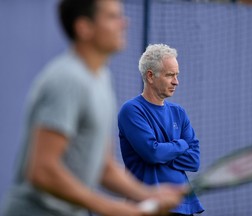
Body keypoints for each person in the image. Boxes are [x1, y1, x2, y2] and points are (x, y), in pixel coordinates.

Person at [1, 1, 186, 216]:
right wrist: (111, 208)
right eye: (112, 17)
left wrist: (148, 194)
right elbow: (42, 171)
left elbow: (103, 166)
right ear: (84, 27)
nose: (124, 23)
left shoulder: (101, 78)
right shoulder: (68, 79)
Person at [118, 44, 205, 216]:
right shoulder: (131, 110)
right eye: (170, 75)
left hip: (182, 206)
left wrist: (163, 151)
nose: (176, 81)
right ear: (150, 76)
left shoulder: (179, 112)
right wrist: (180, 144)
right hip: (147, 206)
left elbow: (194, 160)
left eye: (177, 75)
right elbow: (152, 153)